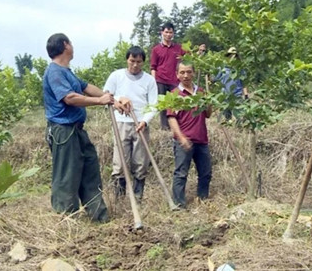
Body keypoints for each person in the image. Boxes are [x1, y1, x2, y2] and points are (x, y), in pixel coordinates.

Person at [43, 33, 114, 222]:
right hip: (63, 131)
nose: (73, 46)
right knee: (67, 175)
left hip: (76, 129)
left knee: (90, 168)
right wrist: (100, 101)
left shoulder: (66, 71)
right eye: (71, 43)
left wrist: (112, 99)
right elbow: (70, 98)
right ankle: (66, 220)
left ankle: (99, 216)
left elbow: (86, 87)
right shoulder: (54, 72)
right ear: (65, 45)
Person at [103, 46, 158, 201]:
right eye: (132, 61)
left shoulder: (149, 80)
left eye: (138, 62)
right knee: (120, 163)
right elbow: (105, 96)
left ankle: (138, 197)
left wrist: (145, 121)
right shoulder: (116, 76)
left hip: (140, 124)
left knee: (141, 162)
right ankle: (119, 199)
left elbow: (154, 105)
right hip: (121, 123)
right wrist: (118, 101)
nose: (135, 65)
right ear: (127, 60)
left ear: (143, 63)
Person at [167, 61, 213, 208]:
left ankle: (202, 200)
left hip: (201, 139)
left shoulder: (200, 92)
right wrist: (181, 138)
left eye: (188, 72)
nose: (185, 75)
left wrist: (209, 102)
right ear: (177, 75)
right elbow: (171, 119)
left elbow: (208, 114)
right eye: (182, 72)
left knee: (205, 173)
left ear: (193, 73)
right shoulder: (174, 95)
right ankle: (179, 205)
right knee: (181, 174)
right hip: (184, 140)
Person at [150, 22, 186, 130]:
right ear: (162, 33)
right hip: (160, 80)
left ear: (173, 33)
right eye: (166, 32)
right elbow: (153, 67)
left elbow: (191, 56)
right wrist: (154, 81)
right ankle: (164, 127)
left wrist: (200, 52)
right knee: (163, 104)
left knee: (175, 103)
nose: (168, 35)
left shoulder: (179, 48)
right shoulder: (156, 49)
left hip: (174, 80)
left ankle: (176, 126)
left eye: (170, 32)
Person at [213, 47, 249, 121]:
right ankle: (229, 128)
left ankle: (239, 129)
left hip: (237, 95)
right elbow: (214, 79)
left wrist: (246, 95)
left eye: (234, 56)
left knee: (240, 115)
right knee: (227, 116)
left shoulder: (240, 69)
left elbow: (244, 83)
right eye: (230, 56)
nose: (232, 58)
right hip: (225, 96)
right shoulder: (222, 68)